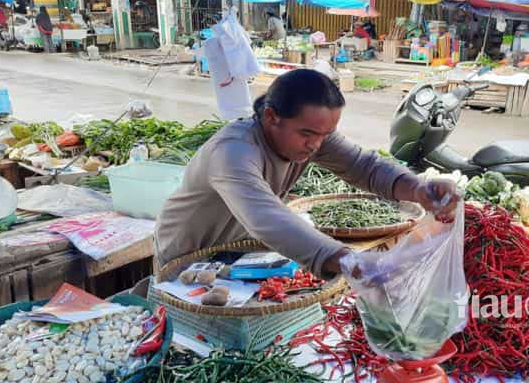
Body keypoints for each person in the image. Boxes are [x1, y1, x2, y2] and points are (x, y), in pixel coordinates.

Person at [155, 69, 460, 276]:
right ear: (272, 117)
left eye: (326, 134)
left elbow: (363, 166)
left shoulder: (311, 137)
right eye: (307, 134)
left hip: (231, 256)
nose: (316, 145)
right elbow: (267, 217)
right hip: (187, 259)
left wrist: (419, 189)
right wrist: (349, 261)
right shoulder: (233, 152)